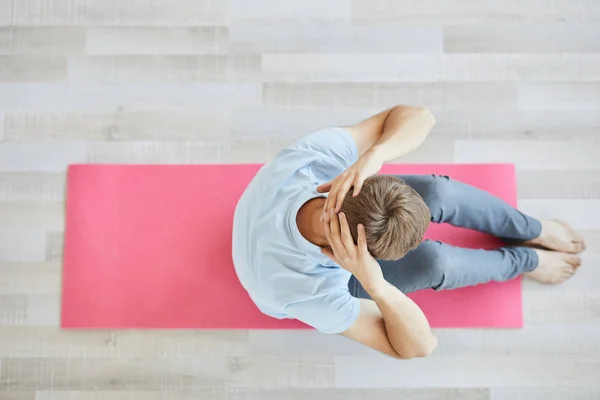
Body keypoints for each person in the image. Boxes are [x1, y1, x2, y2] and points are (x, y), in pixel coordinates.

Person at [231, 105, 585, 359]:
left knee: (438, 193)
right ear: (353, 256)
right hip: (279, 276)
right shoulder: (310, 294)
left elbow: (420, 115)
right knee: (433, 261)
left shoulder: (313, 160)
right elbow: (419, 347)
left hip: (277, 215)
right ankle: (525, 258)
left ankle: (531, 228)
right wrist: (376, 286)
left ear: (354, 182)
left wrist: (376, 152)